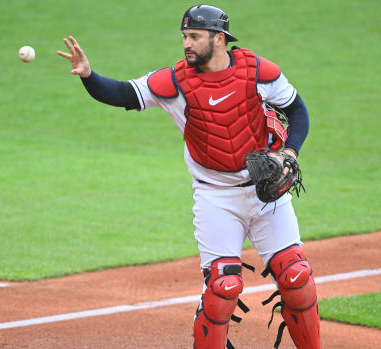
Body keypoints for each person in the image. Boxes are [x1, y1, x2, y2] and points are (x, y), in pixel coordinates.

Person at [57, 5, 320, 349]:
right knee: (223, 288)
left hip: (265, 193)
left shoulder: (258, 72)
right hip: (216, 198)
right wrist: (89, 75)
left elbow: (297, 111)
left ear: (219, 39)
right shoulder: (174, 83)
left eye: (194, 36)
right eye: (184, 36)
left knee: (296, 275)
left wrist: (289, 153)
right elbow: (123, 94)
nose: (186, 43)